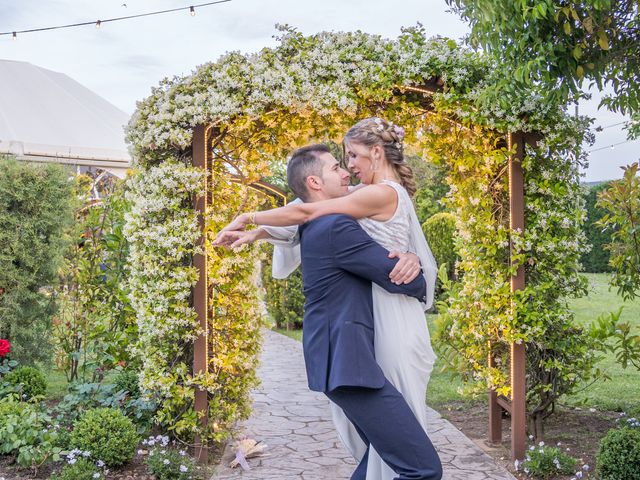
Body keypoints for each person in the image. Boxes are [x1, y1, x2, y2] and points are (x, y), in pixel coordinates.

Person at [215, 118, 439, 480]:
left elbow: (309, 208)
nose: (348, 166)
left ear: (377, 152)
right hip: (368, 329)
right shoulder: (339, 217)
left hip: (385, 319)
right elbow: (307, 208)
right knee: (406, 457)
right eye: (341, 161)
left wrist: (410, 258)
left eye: (351, 155)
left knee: (391, 448)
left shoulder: (377, 194)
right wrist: (256, 228)